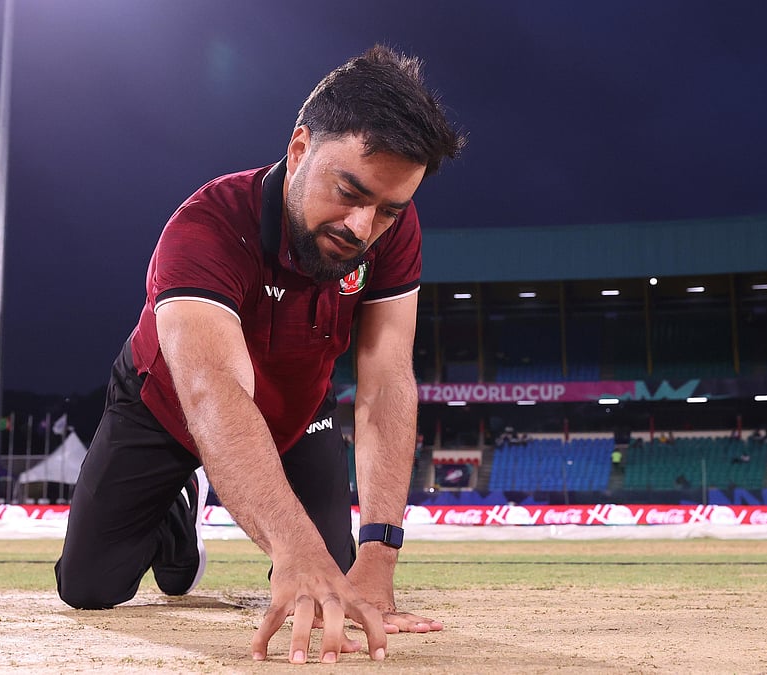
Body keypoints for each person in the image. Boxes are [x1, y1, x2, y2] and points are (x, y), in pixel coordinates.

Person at [54, 45, 463, 665]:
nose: (362, 226)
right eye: (348, 191)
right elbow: (213, 391)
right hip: (169, 403)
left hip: (297, 409)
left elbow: (386, 380)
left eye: (387, 209)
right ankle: (177, 507)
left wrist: (379, 554)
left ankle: (242, 532)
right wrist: (292, 550)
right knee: (88, 587)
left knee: (340, 584)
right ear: (300, 149)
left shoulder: (392, 228)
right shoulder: (206, 226)